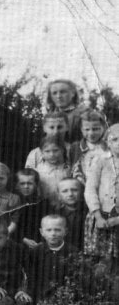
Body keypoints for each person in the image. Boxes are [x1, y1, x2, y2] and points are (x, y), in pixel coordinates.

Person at [83, 124, 119, 271]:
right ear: (108, 142)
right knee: (100, 262)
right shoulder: (100, 161)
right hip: (102, 216)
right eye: (115, 139)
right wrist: (98, 216)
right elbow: (90, 189)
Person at [28, 215, 77, 305]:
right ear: (42, 232)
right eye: (49, 230)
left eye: (57, 230)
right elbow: (32, 278)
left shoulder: (72, 252)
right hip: (41, 300)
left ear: (65, 231)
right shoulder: (36, 252)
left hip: (65, 299)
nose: (53, 233)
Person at [30, 136, 72, 207]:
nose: (52, 154)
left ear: (62, 150)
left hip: (66, 207)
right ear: (42, 153)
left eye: (55, 150)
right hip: (44, 207)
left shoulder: (69, 169)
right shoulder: (37, 172)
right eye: (47, 151)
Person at [14, 168, 50, 249]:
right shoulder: (12, 202)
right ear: (17, 185)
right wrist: (23, 239)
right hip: (18, 242)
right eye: (22, 183)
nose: (26, 186)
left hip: (41, 242)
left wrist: (42, 241)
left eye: (30, 183)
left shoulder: (44, 203)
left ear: (36, 184)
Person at [71, 110, 108, 185]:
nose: (91, 133)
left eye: (95, 129)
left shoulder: (109, 146)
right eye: (87, 129)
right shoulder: (76, 147)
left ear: (103, 128)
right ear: (81, 129)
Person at [51, 178, 87, 250]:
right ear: (59, 195)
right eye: (65, 191)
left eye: (75, 190)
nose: (70, 194)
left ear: (82, 192)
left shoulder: (89, 213)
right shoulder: (55, 214)